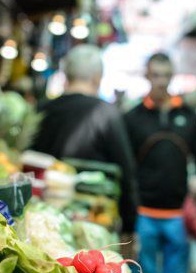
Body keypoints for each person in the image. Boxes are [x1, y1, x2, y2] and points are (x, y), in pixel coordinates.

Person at [124, 52, 196, 273]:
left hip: (178, 213)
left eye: (165, 75)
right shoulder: (133, 117)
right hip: (144, 213)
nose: (161, 81)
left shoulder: (189, 116)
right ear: (147, 76)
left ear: (172, 77)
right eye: (156, 75)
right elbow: (124, 164)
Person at [32, 45, 139, 241]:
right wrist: (130, 225)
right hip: (92, 224)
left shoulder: (44, 109)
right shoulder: (106, 114)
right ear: (98, 77)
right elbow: (126, 171)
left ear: (66, 75)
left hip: (42, 217)